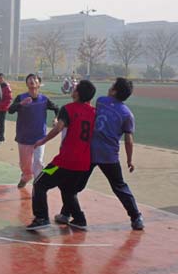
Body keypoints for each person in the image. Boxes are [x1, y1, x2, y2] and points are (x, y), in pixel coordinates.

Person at [57, 78, 145, 230]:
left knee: (73, 185)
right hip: (109, 156)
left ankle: (66, 213)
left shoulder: (101, 101)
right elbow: (128, 140)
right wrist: (129, 160)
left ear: (114, 91)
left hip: (90, 153)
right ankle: (136, 217)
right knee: (119, 186)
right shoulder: (127, 114)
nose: (109, 88)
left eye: (112, 86)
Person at [26, 80, 96, 231]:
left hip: (63, 163)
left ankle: (41, 218)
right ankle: (79, 219)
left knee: (39, 183)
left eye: (75, 88)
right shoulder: (94, 112)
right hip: (83, 163)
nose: (73, 89)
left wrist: (43, 140)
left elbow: (58, 128)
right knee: (68, 190)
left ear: (77, 93)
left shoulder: (68, 109)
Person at [8, 74, 59, 188]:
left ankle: (38, 186)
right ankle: (26, 177)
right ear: (27, 84)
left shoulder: (44, 99)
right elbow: (10, 110)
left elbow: (57, 108)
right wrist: (21, 104)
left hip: (40, 137)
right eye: (29, 79)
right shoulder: (21, 97)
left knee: (38, 162)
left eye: (34, 79)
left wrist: (56, 118)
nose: (32, 80)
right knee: (25, 165)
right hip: (24, 138)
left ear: (39, 84)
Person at [0, 73, 13, 142]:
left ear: (3, 78)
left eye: (1, 78)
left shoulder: (6, 87)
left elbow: (9, 98)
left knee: (1, 123)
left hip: (3, 108)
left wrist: (3, 106)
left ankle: (1, 138)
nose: (0, 80)